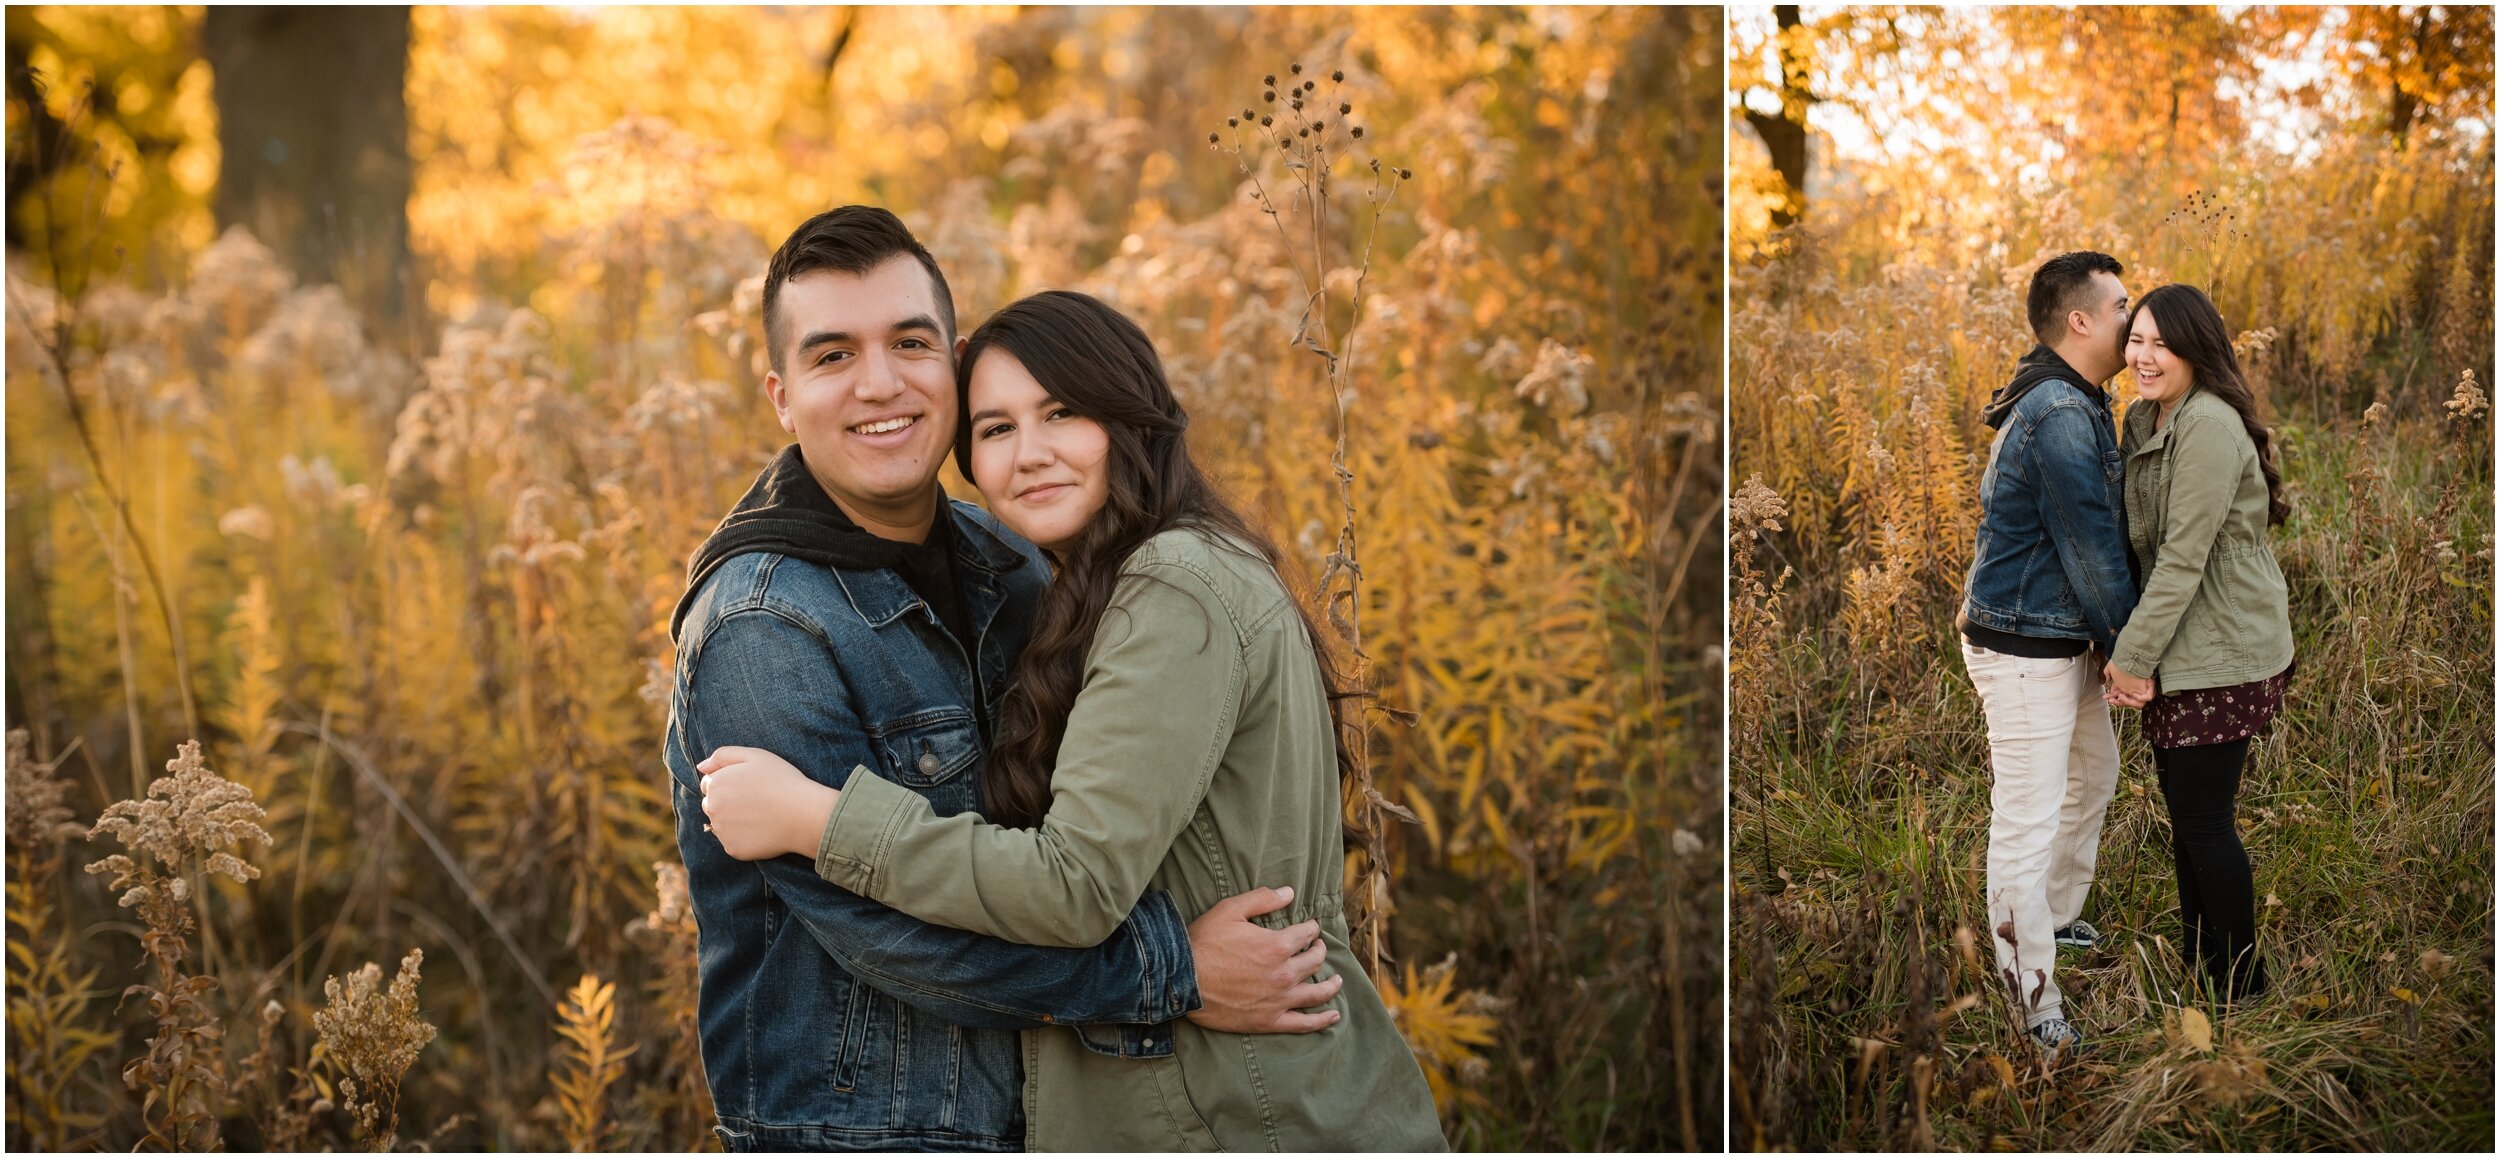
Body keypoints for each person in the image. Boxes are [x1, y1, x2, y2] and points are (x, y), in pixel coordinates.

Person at [696, 289, 1449, 1151]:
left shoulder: (1171, 586)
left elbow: (1073, 886)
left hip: (1237, 1111)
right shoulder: (1085, 578)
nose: (1032, 454)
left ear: (1130, 418)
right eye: (997, 429)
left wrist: (820, 818)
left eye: (1062, 412)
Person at [1958, 250, 2141, 1055]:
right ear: (2081, 320)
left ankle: (2056, 920)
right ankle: (2031, 999)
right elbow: (2093, 552)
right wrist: (2133, 649)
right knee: (2026, 822)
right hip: (2025, 646)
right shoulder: (2063, 410)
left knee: (2093, 775)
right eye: (2122, 305)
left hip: (2054, 635)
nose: (2134, 319)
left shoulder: (2073, 398)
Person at [2099, 283, 2291, 1006]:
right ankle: (2200, 960)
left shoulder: (2207, 425)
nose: (2144, 357)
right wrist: (2118, 639)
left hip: (2225, 643)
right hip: (2178, 640)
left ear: (2195, 348)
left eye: (2161, 344)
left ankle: (2241, 985)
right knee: (2185, 813)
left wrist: (2131, 658)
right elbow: (2131, 543)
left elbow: (2182, 558)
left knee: (2205, 821)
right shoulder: (2144, 417)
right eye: (2136, 340)